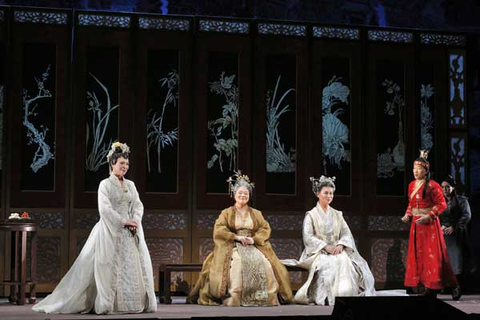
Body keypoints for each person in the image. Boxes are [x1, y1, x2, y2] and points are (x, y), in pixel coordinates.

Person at [33, 142, 157, 314]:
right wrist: (123, 221)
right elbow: (104, 209)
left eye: (127, 164)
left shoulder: (131, 185)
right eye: (122, 163)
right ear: (113, 163)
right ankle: (108, 304)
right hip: (111, 228)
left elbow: (138, 205)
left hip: (131, 231)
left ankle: (133, 304)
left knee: (133, 266)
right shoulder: (105, 185)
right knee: (105, 265)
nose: (125, 167)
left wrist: (135, 220)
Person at [187, 171, 293, 306]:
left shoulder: (256, 213)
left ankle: (265, 297)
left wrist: (254, 239)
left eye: (246, 193)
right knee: (238, 263)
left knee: (266, 264)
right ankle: (236, 297)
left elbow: (265, 228)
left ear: (249, 196)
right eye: (240, 193)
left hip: (253, 245)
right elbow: (219, 229)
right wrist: (235, 237)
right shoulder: (226, 213)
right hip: (234, 246)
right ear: (234, 195)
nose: (243, 195)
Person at [282, 176, 375, 306]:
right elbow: (308, 236)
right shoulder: (311, 215)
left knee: (344, 261)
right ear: (318, 193)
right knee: (329, 264)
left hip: (337, 250)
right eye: (326, 193)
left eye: (331, 193)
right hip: (318, 252)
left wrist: (341, 244)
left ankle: (344, 297)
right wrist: (325, 247)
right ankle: (325, 298)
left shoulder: (337, 214)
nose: (329, 196)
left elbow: (346, 233)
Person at [401, 150, 458, 298]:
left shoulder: (433, 185)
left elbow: (441, 205)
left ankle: (444, 285)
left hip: (430, 226)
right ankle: (425, 285)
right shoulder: (411, 185)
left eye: (419, 168)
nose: (416, 171)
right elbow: (411, 203)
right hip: (416, 226)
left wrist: (429, 216)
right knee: (419, 256)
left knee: (432, 256)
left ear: (426, 170)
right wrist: (408, 214)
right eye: (414, 168)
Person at [440, 175, 472, 300]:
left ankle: (456, 287)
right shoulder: (439, 201)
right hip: (442, 234)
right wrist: (441, 226)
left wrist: (454, 227)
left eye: (447, 187)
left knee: (456, 261)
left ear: (453, 187)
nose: (445, 189)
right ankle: (443, 285)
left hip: (456, 235)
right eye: (442, 187)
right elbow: (435, 215)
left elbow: (466, 215)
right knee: (441, 261)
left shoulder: (462, 200)